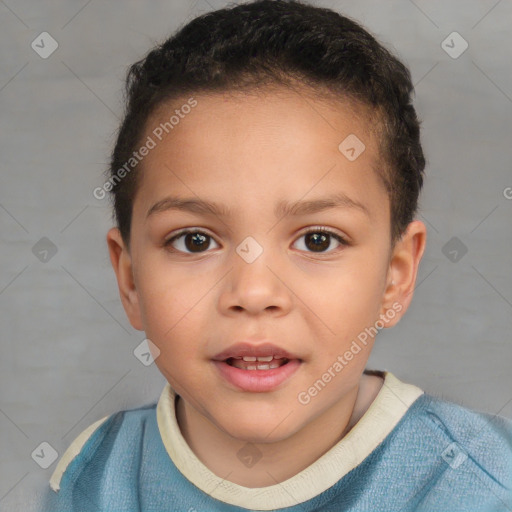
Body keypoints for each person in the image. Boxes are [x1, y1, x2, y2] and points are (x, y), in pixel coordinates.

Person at [41, 1, 512, 510]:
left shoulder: (480, 482)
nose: (254, 293)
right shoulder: (94, 477)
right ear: (129, 280)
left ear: (395, 277)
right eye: (195, 240)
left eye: (317, 240)